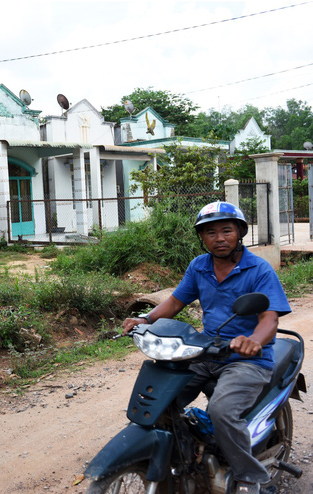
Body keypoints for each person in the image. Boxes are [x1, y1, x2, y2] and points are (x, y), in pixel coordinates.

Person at [122, 201, 291, 494]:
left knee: (222, 410)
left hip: (247, 359)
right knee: (159, 400)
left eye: (226, 230)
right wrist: (145, 318)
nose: (219, 238)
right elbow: (176, 302)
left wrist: (253, 341)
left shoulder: (259, 269)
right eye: (210, 233)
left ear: (239, 232)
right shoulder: (199, 266)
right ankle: (180, 455)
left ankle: (251, 477)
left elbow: (269, 319)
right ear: (202, 238)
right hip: (206, 352)